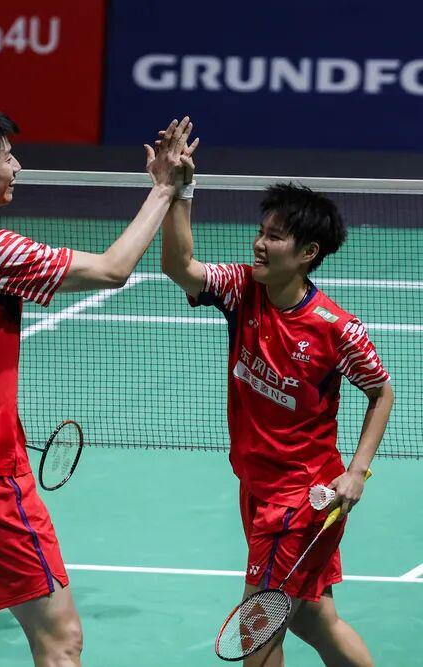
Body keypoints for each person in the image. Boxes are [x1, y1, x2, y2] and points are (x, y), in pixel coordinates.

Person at [0, 105, 194, 666]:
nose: (18, 166)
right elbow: (113, 269)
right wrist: (164, 189)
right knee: (61, 638)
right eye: (7, 156)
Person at [159, 133, 394, 666]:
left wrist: (357, 471)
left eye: (276, 237)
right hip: (256, 483)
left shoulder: (336, 329)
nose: (260, 245)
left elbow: (381, 392)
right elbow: (179, 266)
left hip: (300, 499)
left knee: (258, 626)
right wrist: (181, 192)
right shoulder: (242, 289)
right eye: (261, 233)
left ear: (308, 253)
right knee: (313, 618)